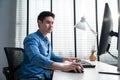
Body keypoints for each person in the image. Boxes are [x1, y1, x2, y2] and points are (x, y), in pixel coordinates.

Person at [18, 11, 83, 80]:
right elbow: (36, 58)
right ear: (39, 22)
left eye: (52, 23)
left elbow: (52, 57)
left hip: (44, 75)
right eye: (48, 22)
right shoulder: (31, 39)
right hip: (32, 76)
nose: (51, 25)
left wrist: (67, 59)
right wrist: (63, 67)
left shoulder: (46, 40)